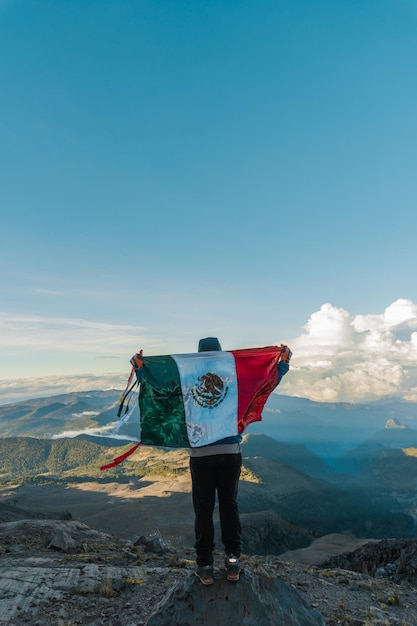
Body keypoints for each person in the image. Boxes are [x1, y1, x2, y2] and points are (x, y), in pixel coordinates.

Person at [190, 337, 291, 585]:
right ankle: (233, 562)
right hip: (230, 452)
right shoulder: (235, 377)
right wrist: (282, 364)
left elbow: (162, 392)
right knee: (228, 505)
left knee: (203, 510)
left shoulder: (187, 379)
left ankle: (205, 566)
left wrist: (141, 369)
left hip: (201, 454)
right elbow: (264, 384)